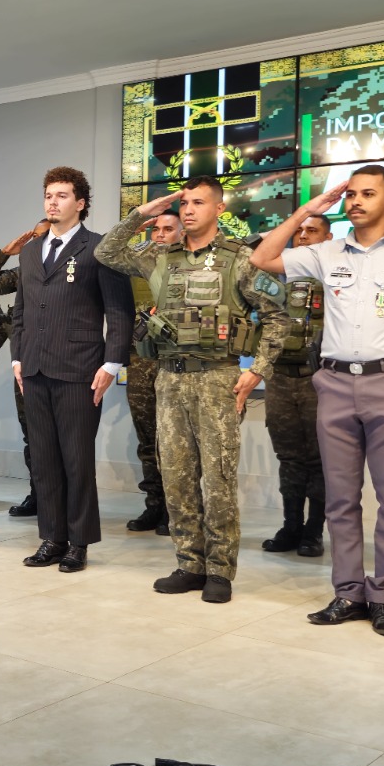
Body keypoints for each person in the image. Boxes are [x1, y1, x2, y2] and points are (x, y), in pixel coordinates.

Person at [251, 165, 384, 638]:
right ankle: (348, 592)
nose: (356, 202)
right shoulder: (327, 251)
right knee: (341, 498)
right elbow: (263, 260)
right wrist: (307, 211)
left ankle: (383, 596)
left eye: (369, 194)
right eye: (351, 194)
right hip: (335, 383)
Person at [97, 178, 288, 604]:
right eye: (183, 203)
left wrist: (257, 370)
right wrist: (144, 213)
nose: (187, 210)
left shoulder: (240, 260)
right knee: (177, 477)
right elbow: (105, 252)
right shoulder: (160, 258)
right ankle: (189, 563)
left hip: (217, 379)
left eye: (198, 203)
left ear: (219, 209)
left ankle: (220, 570)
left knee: (216, 478)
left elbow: (277, 317)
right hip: (168, 377)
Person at [11, 168, 133, 572]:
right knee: (43, 460)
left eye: (62, 195)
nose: (52, 202)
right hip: (34, 368)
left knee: (76, 460)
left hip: (81, 368)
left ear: (80, 203)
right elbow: (21, 313)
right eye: (48, 195)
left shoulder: (99, 248)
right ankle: (52, 537)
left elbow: (119, 311)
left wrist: (112, 363)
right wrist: (17, 358)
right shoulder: (30, 251)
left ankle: (78, 543)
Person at [261, 212, 330, 557]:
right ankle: (291, 526)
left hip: (319, 380)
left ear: (327, 238)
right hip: (279, 379)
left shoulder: (337, 275)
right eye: (299, 231)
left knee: (320, 459)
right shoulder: (275, 276)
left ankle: (314, 531)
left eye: (312, 231)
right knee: (288, 456)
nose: (303, 236)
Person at [0, 219, 51, 517]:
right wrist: (5, 254)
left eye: (44, 235)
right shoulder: (23, 269)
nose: (37, 241)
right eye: (34, 236)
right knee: (32, 435)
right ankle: (38, 495)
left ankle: (60, 499)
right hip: (27, 366)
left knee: (63, 437)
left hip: (64, 365)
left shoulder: (71, 267)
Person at [123, 209, 180, 536]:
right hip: (141, 357)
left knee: (174, 440)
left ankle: (177, 509)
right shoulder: (138, 261)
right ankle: (154, 505)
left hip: (174, 359)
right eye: (156, 229)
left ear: (181, 234)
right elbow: (108, 253)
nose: (160, 234)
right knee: (147, 437)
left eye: (168, 229)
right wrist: (135, 227)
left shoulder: (190, 263)